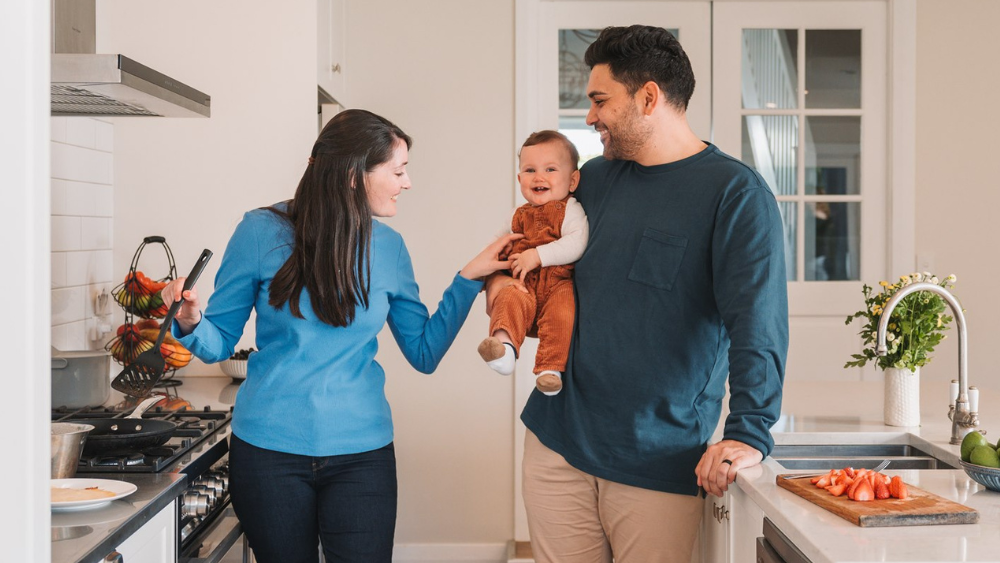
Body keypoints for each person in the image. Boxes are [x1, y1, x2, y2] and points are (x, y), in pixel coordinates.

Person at [161, 109, 520, 563]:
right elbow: (216, 343)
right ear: (354, 175)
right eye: (398, 171)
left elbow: (424, 352)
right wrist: (190, 319)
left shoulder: (389, 247)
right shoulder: (260, 231)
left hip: (362, 456)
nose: (406, 183)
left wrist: (468, 278)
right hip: (268, 455)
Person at [488, 25, 788, 563]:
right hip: (557, 441)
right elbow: (535, 258)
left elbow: (757, 325)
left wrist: (749, 432)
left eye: (600, 100)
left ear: (648, 97)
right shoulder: (594, 180)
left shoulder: (735, 195)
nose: (589, 116)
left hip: (658, 461)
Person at [478, 130, 588, 396]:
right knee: (508, 300)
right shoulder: (516, 215)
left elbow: (578, 241)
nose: (539, 177)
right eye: (530, 170)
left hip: (557, 285)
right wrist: (487, 272)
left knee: (563, 314)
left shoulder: (570, 209)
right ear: (519, 179)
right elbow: (497, 245)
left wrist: (537, 255)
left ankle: (550, 370)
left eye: (550, 169)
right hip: (522, 284)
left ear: (572, 180)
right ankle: (504, 349)